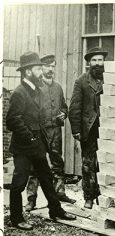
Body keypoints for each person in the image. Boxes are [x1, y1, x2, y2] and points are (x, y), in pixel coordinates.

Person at [6, 51, 76, 231]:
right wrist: (30, 136)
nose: (41, 72)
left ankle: (55, 210)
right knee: (19, 183)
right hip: (23, 147)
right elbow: (13, 120)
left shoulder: (36, 90)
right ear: (28, 72)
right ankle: (16, 218)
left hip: (37, 144)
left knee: (46, 178)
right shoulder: (19, 93)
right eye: (38, 69)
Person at [25, 54, 76, 212]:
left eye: (53, 66)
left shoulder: (58, 87)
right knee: (35, 165)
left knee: (57, 163)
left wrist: (63, 113)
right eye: (47, 66)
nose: (50, 69)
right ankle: (31, 199)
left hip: (55, 131)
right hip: (40, 131)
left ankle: (59, 192)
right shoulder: (35, 87)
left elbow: (64, 107)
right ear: (41, 68)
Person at [69, 47, 107, 209]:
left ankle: (105, 196)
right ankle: (89, 197)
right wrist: (76, 130)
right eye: (94, 60)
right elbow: (74, 108)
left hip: (107, 127)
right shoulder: (82, 81)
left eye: (100, 60)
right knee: (88, 164)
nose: (98, 63)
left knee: (106, 163)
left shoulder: (110, 78)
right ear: (89, 63)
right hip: (89, 128)